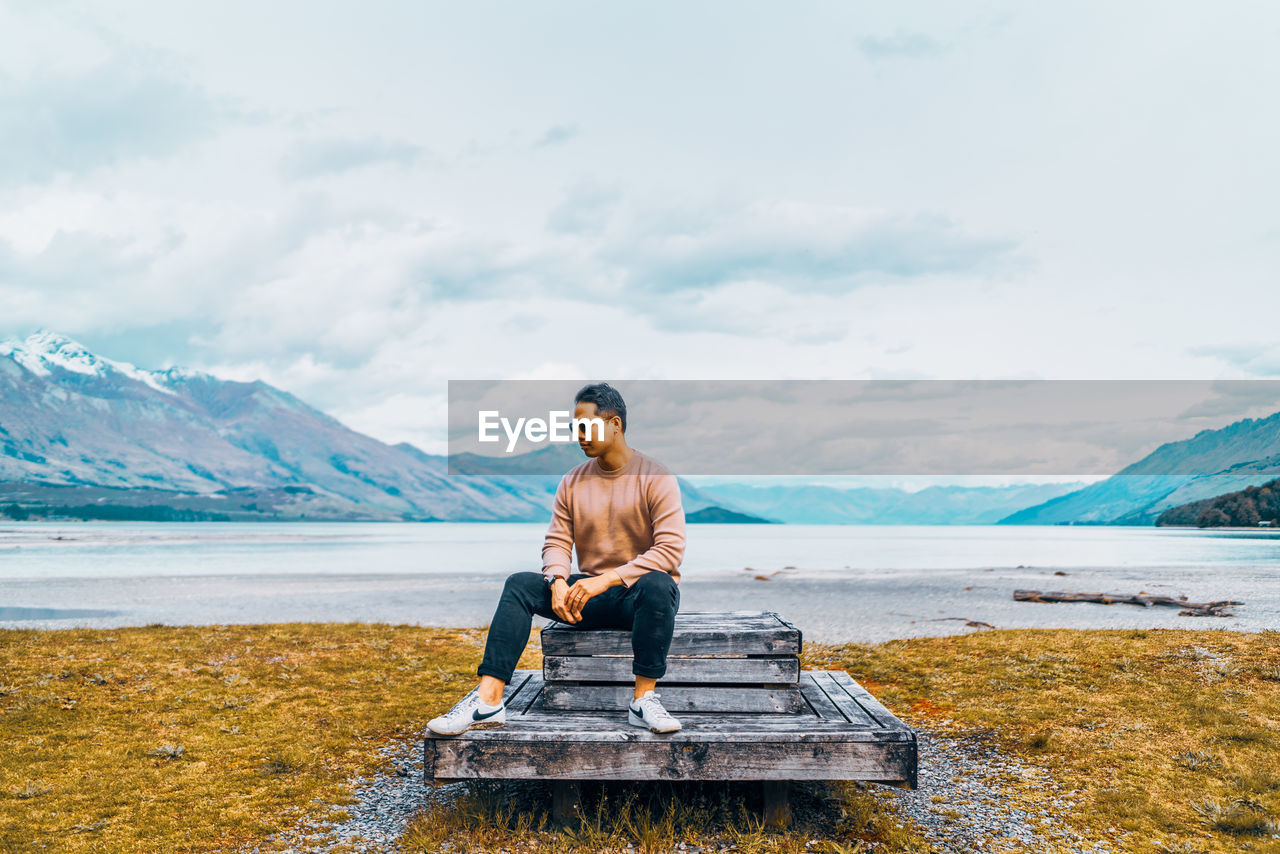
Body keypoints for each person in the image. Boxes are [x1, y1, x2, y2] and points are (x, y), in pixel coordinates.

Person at [427, 382, 687, 735]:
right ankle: (487, 702)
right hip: (587, 599)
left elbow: (670, 551)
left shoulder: (656, 476)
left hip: (638, 597)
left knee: (659, 582)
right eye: (574, 427)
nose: (578, 435)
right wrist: (558, 581)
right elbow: (557, 542)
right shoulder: (572, 481)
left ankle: (643, 700)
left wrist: (606, 579)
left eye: (586, 425)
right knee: (519, 585)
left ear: (615, 425)